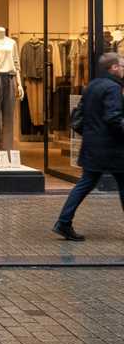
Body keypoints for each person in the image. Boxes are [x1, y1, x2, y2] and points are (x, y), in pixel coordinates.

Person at [53, 52, 124, 242]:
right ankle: (63, 222)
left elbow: (79, 117)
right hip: (113, 148)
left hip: (92, 145)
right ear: (114, 67)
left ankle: (63, 222)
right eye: (122, 65)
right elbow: (113, 118)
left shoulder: (91, 86)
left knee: (84, 184)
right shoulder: (113, 88)